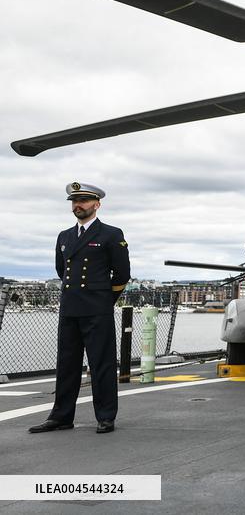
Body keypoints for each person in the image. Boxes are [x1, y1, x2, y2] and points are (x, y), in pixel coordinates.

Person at [28, 183, 130, 435]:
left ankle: (105, 416)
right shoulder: (64, 236)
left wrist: (104, 300)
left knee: (101, 364)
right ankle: (61, 416)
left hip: (97, 309)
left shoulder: (111, 234)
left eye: (83, 201)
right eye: (75, 201)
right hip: (70, 308)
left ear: (97, 204)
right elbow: (61, 270)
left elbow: (122, 274)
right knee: (66, 365)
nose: (78, 205)